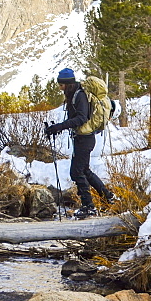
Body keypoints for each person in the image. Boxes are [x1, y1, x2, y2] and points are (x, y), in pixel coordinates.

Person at [43, 67, 114, 219]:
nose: (60, 88)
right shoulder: (74, 94)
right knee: (85, 171)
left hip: (85, 139)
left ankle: (89, 207)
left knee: (76, 172)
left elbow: (82, 118)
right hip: (82, 138)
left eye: (61, 85)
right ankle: (109, 197)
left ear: (67, 84)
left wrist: (60, 126)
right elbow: (77, 119)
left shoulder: (80, 95)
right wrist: (57, 128)